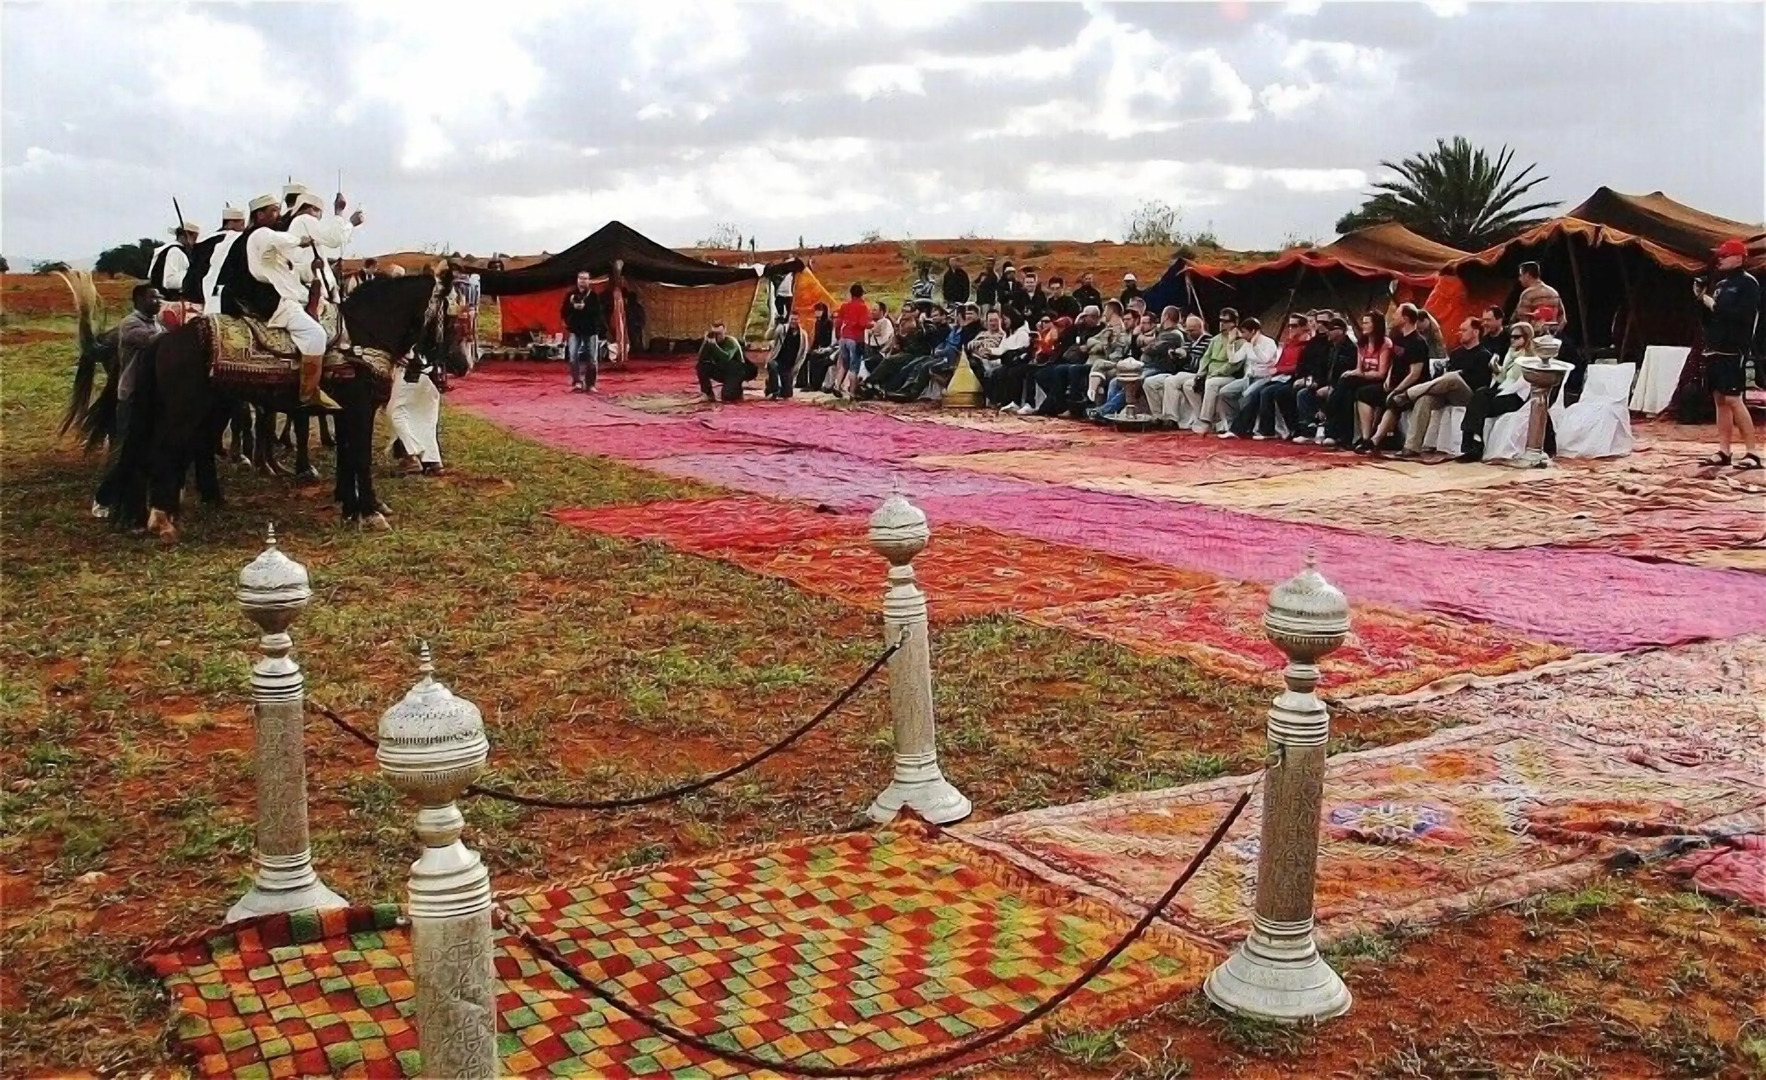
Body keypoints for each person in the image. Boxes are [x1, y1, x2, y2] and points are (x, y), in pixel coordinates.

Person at [218, 192, 340, 411]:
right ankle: (308, 393)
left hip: (258, 297)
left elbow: (283, 266)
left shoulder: (252, 239)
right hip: (269, 301)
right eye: (273, 210)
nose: (278, 214)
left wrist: (309, 269)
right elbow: (282, 240)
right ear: (260, 214)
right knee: (316, 334)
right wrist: (303, 239)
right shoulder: (261, 234)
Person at [91, 284, 164, 518]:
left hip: (149, 397)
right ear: (139, 299)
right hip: (132, 396)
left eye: (159, 297)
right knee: (125, 453)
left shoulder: (156, 324)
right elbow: (156, 341)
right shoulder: (131, 325)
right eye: (153, 297)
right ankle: (102, 499)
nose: (158, 301)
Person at [1697, 238, 1761, 470]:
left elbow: (1742, 315)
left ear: (1738, 257)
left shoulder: (1748, 284)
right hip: (1715, 347)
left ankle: (1752, 452)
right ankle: (1724, 450)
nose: (1720, 260)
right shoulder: (1722, 285)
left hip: (1734, 348)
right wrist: (1700, 300)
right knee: (1720, 401)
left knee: (1734, 399)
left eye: (1724, 256)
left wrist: (1712, 305)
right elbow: (1712, 318)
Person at [1393, 316, 1496, 458]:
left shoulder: (1484, 355)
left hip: (1468, 395)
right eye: (1460, 330)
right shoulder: (1456, 353)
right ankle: (1411, 446)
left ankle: (1409, 393)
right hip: (1447, 392)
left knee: (1452, 377)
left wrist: (1460, 374)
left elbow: (1480, 383)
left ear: (1476, 332)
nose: (1460, 333)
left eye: (1464, 330)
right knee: (1425, 399)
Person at [1458, 321, 1540, 462]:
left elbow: (1521, 385)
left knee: (1481, 397)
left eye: (1517, 337)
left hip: (1516, 397)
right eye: (1511, 337)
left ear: (1526, 338)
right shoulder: (1510, 354)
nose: (1513, 340)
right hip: (1502, 391)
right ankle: (1474, 441)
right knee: (1480, 395)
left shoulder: (1530, 359)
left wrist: (1499, 392)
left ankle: (1473, 442)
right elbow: (1503, 378)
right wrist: (1497, 370)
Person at [1363, 303, 1432, 453]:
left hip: (1413, 386)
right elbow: (1394, 362)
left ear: (1405, 318)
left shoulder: (1418, 343)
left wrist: (1397, 389)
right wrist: (1388, 378)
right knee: (1363, 393)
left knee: (1394, 401)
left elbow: (1415, 374)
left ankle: (1375, 440)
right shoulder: (1398, 338)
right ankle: (1364, 437)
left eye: (1397, 314)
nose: (1393, 316)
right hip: (1394, 383)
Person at [1322, 312, 1390, 447]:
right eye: (1363, 322)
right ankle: (1345, 437)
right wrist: (1352, 373)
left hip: (1377, 380)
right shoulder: (1362, 343)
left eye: (1366, 323)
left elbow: (1381, 373)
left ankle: (1327, 410)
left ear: (1376, 325)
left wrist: (1360, 375)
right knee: (1347, 391)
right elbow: (1359, 368)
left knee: (1346, 382)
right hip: (1364, 377)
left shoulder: (1385, 344)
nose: (1363, 326)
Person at [1234, 314, 1307, 439]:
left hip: (1292, 377)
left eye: (1294, 326)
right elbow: (1281, 362)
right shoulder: (1289, 343)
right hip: (1278, 376)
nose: (1291, 329)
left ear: (1303, 327)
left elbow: (1299, 366)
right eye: (1289, 326)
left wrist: (1277, 369)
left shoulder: (1305, 345)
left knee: (1265, 392)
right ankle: (1239, 428)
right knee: (1257, 392)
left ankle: (1268, 430)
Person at [1287, 315, 1357, 442]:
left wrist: (1331, 387)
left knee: (1336, 395)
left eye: (1330, 329)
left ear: (1341, 331)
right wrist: (1317, 383)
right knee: (1303, 394)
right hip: (1326, 384)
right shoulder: (1330, 348)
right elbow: (1321, 370)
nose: (1327, 331)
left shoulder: (1350, 349)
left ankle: (1333, 433)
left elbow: (1346, 374)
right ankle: (1308, 431)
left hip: (1341, 386)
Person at [1183, 309, 1244, 433]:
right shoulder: (1215, 339)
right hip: (1211, 373)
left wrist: (1216, 373)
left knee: (1212, 383)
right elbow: (1206, 358)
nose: (1222, 324)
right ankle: (1203, 417)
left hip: (1229, 375)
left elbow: (1235, 364)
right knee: (1188, 385)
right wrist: (1200, 374)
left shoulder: (1239, 341)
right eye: (1221, 320)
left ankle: (1205, 420)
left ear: (1234, 323)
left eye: (1226, 321)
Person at [1216, 316, 1278, 437]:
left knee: (1247, 395)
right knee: (1225, 392)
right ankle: (1232, 425)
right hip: (1249, 377)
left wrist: (1255, 345)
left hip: (1265, 378)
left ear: (1253, 331)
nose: (1242, 335)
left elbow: (1264, 359)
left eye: (1244, 332)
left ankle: (1246, 428)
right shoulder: (1246, 345)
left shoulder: (1268, 343)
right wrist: (1230, 344)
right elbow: (1234, 360)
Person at [389, 347, 446, 476]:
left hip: (411, 371)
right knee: (426, 419)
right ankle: (432, 461)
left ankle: (411, 456)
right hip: (429, 371)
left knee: (397, 414)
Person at [184, 205, 245, 314]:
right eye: (241, 223)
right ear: (230, 223)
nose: (243, 227)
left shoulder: (203, 241)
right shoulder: (236, 239)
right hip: (220, 295)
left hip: (198, 296)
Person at [559, 271, 606, 392]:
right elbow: (563, 311)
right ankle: (577, 382)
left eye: (585, 279)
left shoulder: (594, 296)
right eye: (580, 278)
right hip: (575, 330)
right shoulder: (570, 295)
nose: (582, 281)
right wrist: (572, 307)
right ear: (577, 280)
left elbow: (598, 313)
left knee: (592, 359)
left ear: (589, 281)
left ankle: (590, 384)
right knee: (573, 356)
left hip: (590, 331)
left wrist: (585, 308)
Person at [148, 219, 202, 308]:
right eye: (194, 238)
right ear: (185, 235)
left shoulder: (173, 250)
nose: (194, 242)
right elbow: (169, 281)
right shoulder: (175, 252)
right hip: (170, 302)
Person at [834, 283, 872, 397]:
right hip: (855, 339)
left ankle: (837, 385)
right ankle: (852, 392)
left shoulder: (844, 306)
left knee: (844, 364)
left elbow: (838, 322)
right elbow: (862, 324)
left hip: (843, 337)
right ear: (861, 294)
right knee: (854, 366)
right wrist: (871, 325)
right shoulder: (862, 307)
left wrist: (838, 335)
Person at [696, 322, 748, 402]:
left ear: (724, 331)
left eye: (719, 334)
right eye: (715, 334)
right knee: (701, 366)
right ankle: (707, 393)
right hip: (722, 369)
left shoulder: (731, 342)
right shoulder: (710, 343)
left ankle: (736, 389)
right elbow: (701, 358)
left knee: (727, 397)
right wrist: (706, 343)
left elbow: (726, 357)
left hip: (735, 371)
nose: (717, 337)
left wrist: (714, 345)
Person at [1513, 261, 1563, 330]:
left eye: (1521, 275)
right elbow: (1563, 320)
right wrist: (1553, 333)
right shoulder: (1554, 292)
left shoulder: (1528, 294)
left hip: (1534, 337)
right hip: (1552, 338)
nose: (1519, 279)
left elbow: (1523, 323)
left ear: (1527, 275)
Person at [765, 316, 806, 399]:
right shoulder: (782, 329)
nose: (793, 321)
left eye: (796, 319)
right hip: (777, 360)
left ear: (799, 321)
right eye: (792, 319)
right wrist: (775, 325)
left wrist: (796, 368)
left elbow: (803, 353)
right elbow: (768, 337)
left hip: (789, 366)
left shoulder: (803, 335)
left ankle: (772, 386)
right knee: (772, 365)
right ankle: (774, 390)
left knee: (787, 394)